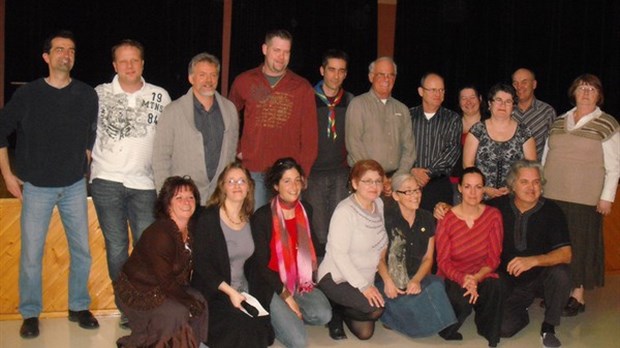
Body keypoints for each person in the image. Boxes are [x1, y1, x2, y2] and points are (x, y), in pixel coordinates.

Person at [0, 30, 99, 338]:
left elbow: (89, 135)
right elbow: (1, 133)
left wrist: (84, 161)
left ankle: (78, 306)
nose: (65, 54)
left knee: (82, 251)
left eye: (70, 50)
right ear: (46, 57)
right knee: (31, 254)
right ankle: (30, 313)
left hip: (72, 186)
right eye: (58, 50)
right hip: (37, 187)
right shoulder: (28, 94)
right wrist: (7, 175)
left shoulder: (86, 94)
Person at [89, 39, 171, 329]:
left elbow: (168, 140)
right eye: (123, 61)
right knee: (116, 248)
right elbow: (83, 134)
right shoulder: (98, 94)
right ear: (114, 65)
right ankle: (127, 306)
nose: (129, 66)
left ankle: (146, 302)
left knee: (147, 248)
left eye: (135, 60)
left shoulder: (160, 96)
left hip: (145, 184)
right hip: (107, 181)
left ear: (143, 63)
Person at [542, 74, 619, 317]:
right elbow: (546, 157)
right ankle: (559, 290)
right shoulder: (558, 121)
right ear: (573, 92)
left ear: (599, 95)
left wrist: (607, 197)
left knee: (581, 246)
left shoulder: (607, 123)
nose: (586, 92)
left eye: (591, 89)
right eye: (581, 88)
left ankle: (577, 295)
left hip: (584, 199)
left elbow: (614, 165)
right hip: (552, 195)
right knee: (555, 245)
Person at [114, 176, 208, 348]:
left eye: (191, 197)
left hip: (167, 286)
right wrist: (187, 300)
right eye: (179, 198)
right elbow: (165, 281)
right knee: (178, 311)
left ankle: (195, 343)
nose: (186, 202)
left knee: (200, 300)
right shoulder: (161, 234)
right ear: (167, 204)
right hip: (140, 292)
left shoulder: (192, 228)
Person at [229, 30, 318, 209]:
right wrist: (238, 149)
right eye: (276, 50)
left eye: (286, 52)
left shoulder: (302, 87)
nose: (281, 57)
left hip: (287, 174)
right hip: (254, 169)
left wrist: (303, 172)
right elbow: (228, 118)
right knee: (256, 227)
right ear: (264, 49)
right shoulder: (245, 81)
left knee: (286, 228)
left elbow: (310, 135)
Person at [250, 157, 331, 348]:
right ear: (276, 186)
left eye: (297, 180)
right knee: (299, 341)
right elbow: (261, 266)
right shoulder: (262, 217)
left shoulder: (306, 210)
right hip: (271, 285)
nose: (294, 186)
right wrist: (285, 296)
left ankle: (288, 314)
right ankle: (274, 316)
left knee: (324, 315)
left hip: (299, 281)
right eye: (287, 181)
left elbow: (315, 245)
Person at [192, 162, 274, 347]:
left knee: (260, 330)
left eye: (241, 181)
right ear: (223, 187)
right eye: (231, 181)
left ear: (249, 187)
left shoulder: (250, 220)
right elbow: (202, 264)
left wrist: (258, 295)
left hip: (243, 290)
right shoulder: (209, 219)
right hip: (215, 292)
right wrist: (230, 292)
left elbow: (255, 265)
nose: (237, 185)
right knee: (239, 327)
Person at [497, 160, 571, 348]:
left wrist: (534, 260)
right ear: (512, 185)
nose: (531, 187)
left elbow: (566, 254)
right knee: (503, 329)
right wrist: (444, 207)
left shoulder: (552, 211)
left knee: (561, 273)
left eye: (536, 182)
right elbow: (469, 210)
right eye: (524, 182)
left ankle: (549, 326)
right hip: (509, 281)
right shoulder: (497, 206)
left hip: (540, 279)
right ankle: (522, 307)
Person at [375, 173, 457, 338]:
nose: (415, 195)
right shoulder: (386, 219)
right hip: (389, 278)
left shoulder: (426, 217)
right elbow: (379, 258)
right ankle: (392, 315)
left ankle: (407, 313)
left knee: (436, 285)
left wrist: (416, 280)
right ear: (396, 196)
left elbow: (428, 258)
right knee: (406, 301)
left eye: (417, 190)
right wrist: (388, 281)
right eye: (408, 192)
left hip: (414, 275)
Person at [153, 53, 239, 205]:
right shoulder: (172, 111)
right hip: (183, 200)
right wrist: (165, 198)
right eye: (202, 75)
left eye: (213, 75)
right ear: (191, 78)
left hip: (218, 199)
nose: (209, 80)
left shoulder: (230, 110)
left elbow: (231, 155)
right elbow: (160, 158)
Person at [318, 159, 388, 341]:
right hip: (337, 276)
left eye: (378, 181)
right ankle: (335, 306)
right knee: (376, 309)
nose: (374, 186)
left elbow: (380, 240)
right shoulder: (345, 212)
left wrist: (382, 277)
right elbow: (339, 255)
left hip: (364, 274)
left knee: (365, 334)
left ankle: (340, 309)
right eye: (367, 181)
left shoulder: (378, 204)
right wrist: (364, 287)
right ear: (355, 183)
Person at [435, 167, 503, 347]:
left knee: (496, 286)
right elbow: (443, 261)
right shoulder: (447, 218)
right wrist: (464, 279)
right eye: (467, 186)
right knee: (462, 300)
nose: (473, 192)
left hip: (481, 273)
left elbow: (493, 259)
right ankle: (446, 328)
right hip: (453, 275)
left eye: (478, 187)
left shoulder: (493, 216)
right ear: (459, 188)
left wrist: (476, 278)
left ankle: (488, 330)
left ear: (484, 189)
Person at [303, 49, 354, 256]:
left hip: (341, 172)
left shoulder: (350, 100)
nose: (336, 75)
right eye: (332, 70)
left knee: (339, 230)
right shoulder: (307, 98)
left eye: (341, 71)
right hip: (313, 173)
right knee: (317, 231)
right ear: (322, 70)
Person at [345, 57, 415, 194]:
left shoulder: (402, 109)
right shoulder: (358, 105)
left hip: (395, 184)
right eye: (381, 74)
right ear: (371, 77)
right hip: (365, 182)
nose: (386, 79)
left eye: (390, 75)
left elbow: (409, 149)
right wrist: (378, 178)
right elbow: (354, 145)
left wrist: (396, 179)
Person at [463, 83, 536, 199]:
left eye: (508, 101)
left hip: (515, 197)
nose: (503, 104)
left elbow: (531, 168)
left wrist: (512, 188)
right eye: (498, 100)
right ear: (489, 104)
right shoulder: (477, 130)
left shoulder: (524, 132)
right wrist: (484, 189)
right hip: (479, 197)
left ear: (513, 106)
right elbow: (468, 166)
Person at [409, 73, 462, 211]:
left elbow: (452, 151)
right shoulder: (408, 116)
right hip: (409, 180)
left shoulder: (452, 118)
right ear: (421, 91)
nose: (438, 94)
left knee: (438, 227)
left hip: (439, 183)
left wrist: (428, 173)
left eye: (441, 90)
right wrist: (412, 170)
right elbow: (399, 147)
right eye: (433, 90)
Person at [449, 86, 488, 203]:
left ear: (480, 99)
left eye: (472, 97)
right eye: (464, 98)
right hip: (455, 184)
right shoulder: (451, 124)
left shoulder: (490, 124)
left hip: (485, 186)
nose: (468, 102)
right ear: (459, 102)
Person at [512, 68, 557, 159]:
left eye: (524, 82)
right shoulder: (507, 109)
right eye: (515, 83)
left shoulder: (547, 112)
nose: (519, 86)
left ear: (534, 84)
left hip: (535, 169)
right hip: (509, 171)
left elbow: (553, 146)